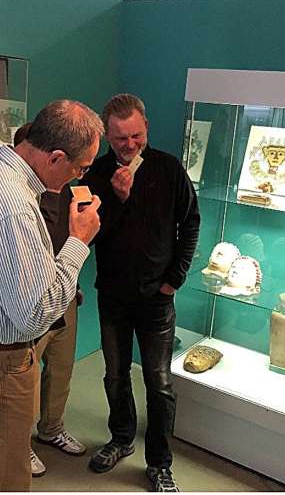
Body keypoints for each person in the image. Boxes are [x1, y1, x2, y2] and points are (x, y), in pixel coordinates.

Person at [0, 99, 103, 492]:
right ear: (56, 157)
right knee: (4, 479)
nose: (80, 176)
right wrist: (78, 242)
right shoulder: (12, 206)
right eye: (81, 168)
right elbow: (35, 315)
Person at [80, 94, 200, 492]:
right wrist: (118, 199)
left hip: (157, 298)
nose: (129, 145)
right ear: (106, 135)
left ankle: (160, 463)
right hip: (113, 295)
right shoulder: (95, 175)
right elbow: (90, 235)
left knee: (159, 383)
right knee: (115, 376)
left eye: (135, 135)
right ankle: (121, 439)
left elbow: (190, 222)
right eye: (120, 139)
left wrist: (175, 278)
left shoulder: (168, 167)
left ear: (146, 126)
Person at [12, 123, 87, 478]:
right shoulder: (21, 199)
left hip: (66, 295)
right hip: (34, 302)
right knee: (26, 378)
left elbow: (72, 239)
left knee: (61, 368)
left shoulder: (68, 187)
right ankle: (20, 443)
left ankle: (51, 427)